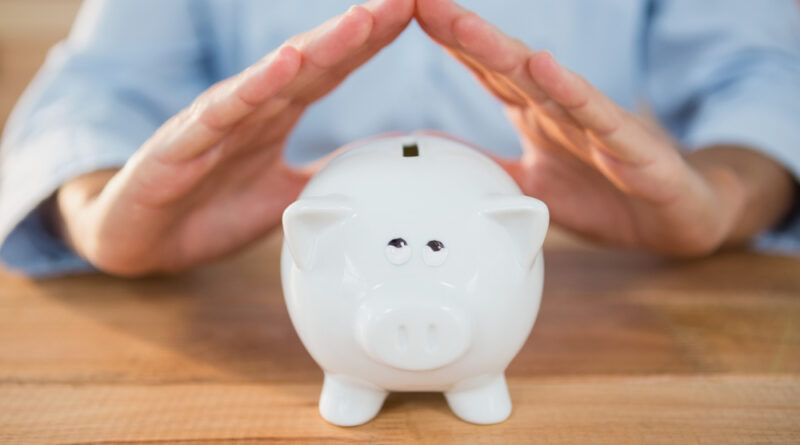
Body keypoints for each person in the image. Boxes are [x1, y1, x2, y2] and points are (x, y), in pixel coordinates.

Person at [1, 0, 798, 277]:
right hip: (258, 271)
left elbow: (766, 78)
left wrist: (723, 197)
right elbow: (98, 91)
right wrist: (98, 211)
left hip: (579, 270)